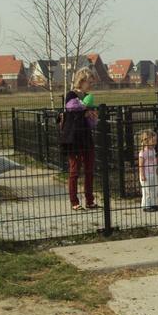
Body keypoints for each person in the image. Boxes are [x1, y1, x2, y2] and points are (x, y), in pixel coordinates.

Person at [59, 68, 98, 210]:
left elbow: (92, 123)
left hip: (86, 137)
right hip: (73, 138)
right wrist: (85, 108)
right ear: (81, 81)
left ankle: (89, 200)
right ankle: (74, 201)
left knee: (89, 170)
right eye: (90, 82)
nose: (91, 85)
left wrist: (93, 117)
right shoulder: (71, 95)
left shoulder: (88, 96)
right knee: (74, 171)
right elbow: (71, 106)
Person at [138, 130, 158, 212]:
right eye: (153, 141)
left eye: (156, 141)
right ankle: (146, 205)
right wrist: (142, 175)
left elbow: (153, 159)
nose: (155, 143)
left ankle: (154, 204)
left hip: (153, 173)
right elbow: (141, 165)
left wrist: (157, 160)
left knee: (154, 189)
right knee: (147, 190)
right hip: (146, 175)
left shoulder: (153, 150)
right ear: (147, 141)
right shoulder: (143, 152)